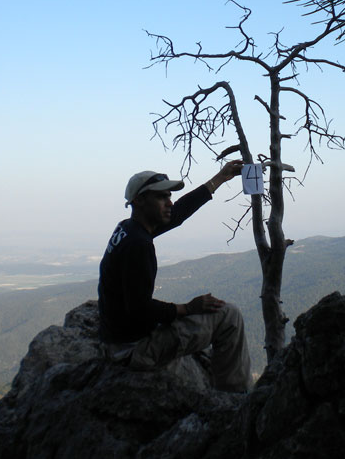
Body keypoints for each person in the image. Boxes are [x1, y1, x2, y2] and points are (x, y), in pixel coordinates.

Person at [98, 161, 252, 392]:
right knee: (228, 316)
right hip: (133, 350)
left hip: (117, 340)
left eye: (169, 197)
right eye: (162, 198)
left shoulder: (129, 228)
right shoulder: (138, 245)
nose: (169, 203)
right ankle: (234, 398)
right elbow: (139, 310)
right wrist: (187, 308)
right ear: (139, 201)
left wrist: (220, 178)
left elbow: (178, 213)